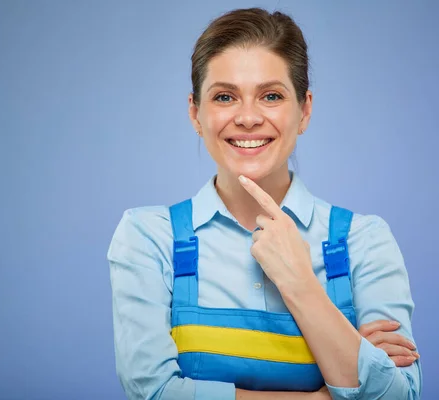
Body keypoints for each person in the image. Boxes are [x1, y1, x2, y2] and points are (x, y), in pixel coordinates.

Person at [107, 7, 422, 400]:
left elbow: (399, 396)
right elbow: (154, 393)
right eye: (225, 97)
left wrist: (301, 285)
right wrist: (326, 394)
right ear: (195, 114)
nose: (248, 117)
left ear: (305, 110)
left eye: (271, 96)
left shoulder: (365, 242)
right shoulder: (148, 238)